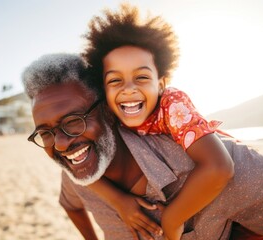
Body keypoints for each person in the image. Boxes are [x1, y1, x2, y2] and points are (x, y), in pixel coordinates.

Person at [22, 53, 263, 240]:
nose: (60, 144)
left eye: (74, 121)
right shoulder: (79, 171)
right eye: (44, 132)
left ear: (110, 110)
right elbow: (69, 203)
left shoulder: (219, 169)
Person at [81, 4, 235, 239]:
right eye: (115, 80)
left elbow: (218, 166)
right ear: (102, 89)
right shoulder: (106, 112)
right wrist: (120, 201)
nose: (129, 88)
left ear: (161, 84)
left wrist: (172, 219)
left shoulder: (172, 103)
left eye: (141, 77)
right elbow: (69, 158)